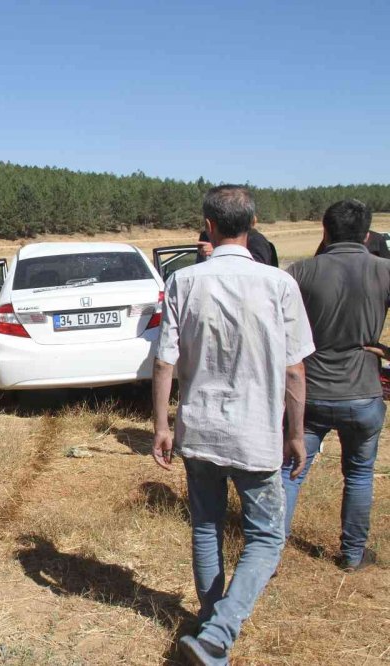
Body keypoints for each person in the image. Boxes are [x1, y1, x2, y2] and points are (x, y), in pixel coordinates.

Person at [152, 185, 313, 665]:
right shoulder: (279, 284)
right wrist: (294, 432)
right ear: (254, 222)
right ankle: (219, 632)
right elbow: (294, 370)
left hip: (198, 428)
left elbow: (165, 362)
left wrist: (162, 423)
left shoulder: (183, 282)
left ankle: (206, 624)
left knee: (206, 526)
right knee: (266, 535)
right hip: (256, 431)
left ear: (208, 224)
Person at [283, 199, 389, 573]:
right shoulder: (384, 270)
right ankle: (353, 555)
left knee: (291, 471)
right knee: (359, 474)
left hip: (309, 393)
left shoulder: (300, 271)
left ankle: (270, 552)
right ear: (367, 234)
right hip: (363, 392)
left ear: (324, 231)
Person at [197, 226, 278, 266]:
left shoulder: (255, 239)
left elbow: (258, 269)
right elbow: (199, 264)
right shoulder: (206, 235)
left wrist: (218, 251)